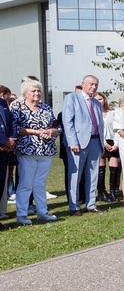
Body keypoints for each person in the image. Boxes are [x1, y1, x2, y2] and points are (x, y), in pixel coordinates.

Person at [11, 78, 61, 225]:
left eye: (39, 90)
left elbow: (57, 127)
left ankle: (42, 211)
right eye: (33, 91)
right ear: (25, 93)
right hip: (28, 150)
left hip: (45, 150)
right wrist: (37, 132)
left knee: (40, 183)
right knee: (26, 183)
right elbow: (16, 129)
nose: (37, 93)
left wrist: (51, 131)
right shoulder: (18, 107)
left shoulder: (46, 108)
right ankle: (21, 214)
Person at [62, 74, 106, 216]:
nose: (93, 87)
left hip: (95, 141)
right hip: (78, 143)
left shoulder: (97, 103)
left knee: (93, 175)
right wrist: (72, 142)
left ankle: (91, 204)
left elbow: (100, 125)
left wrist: (101, 143)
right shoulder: (72, 98)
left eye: (96, 85)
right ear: (83, 84)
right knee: (75, 176)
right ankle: (74, 206)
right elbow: (67, 122)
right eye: (91, 84)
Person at [95, 93, 121, 203]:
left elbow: (117, 129)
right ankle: (102, 192)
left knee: (114, 168)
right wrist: (104, 143)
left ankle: (113, 192)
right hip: (100, 141)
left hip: (113, 141)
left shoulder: (113, 113)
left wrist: (115, 144)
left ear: (104, 100)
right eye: (96, 100)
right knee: (101, 168)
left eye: (101, 99)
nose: (99, 101)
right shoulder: (95, 114)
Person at [0, 85, 15, 230]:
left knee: (1, 185)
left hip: (3, 151)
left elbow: (10, 124)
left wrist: (9, 141)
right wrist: (4, 141)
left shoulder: (3, 104)